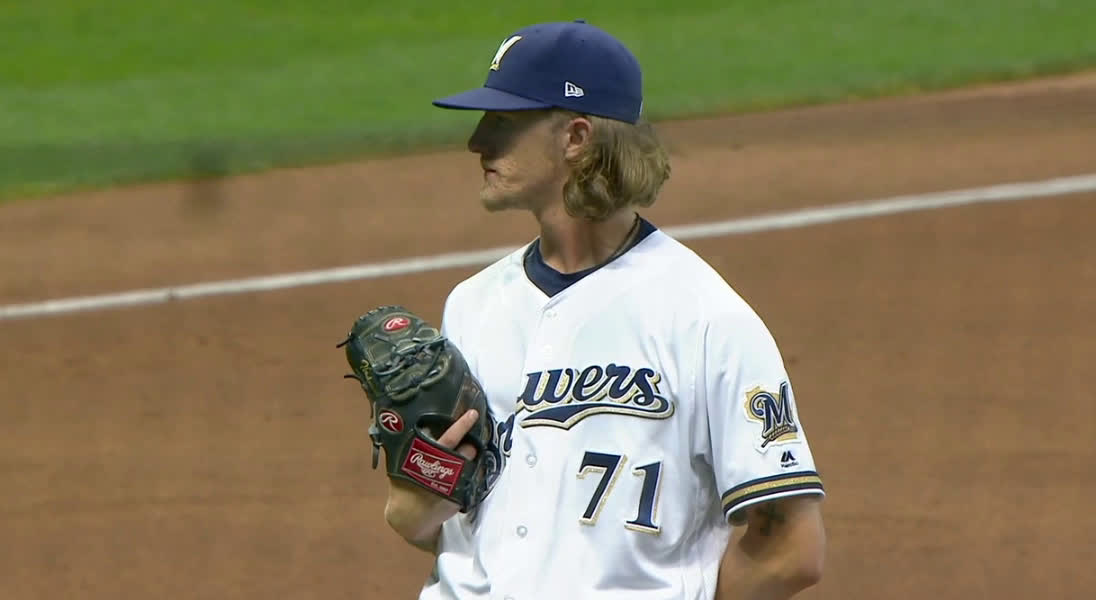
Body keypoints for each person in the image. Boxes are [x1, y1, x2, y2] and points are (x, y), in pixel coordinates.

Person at [383, 19, 827, 600]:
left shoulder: (705, 317)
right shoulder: (471, 305)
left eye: (504, 121)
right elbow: (436, 524)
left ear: (575, 137)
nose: (477, 141)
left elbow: (792, 549)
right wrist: (416, 491)